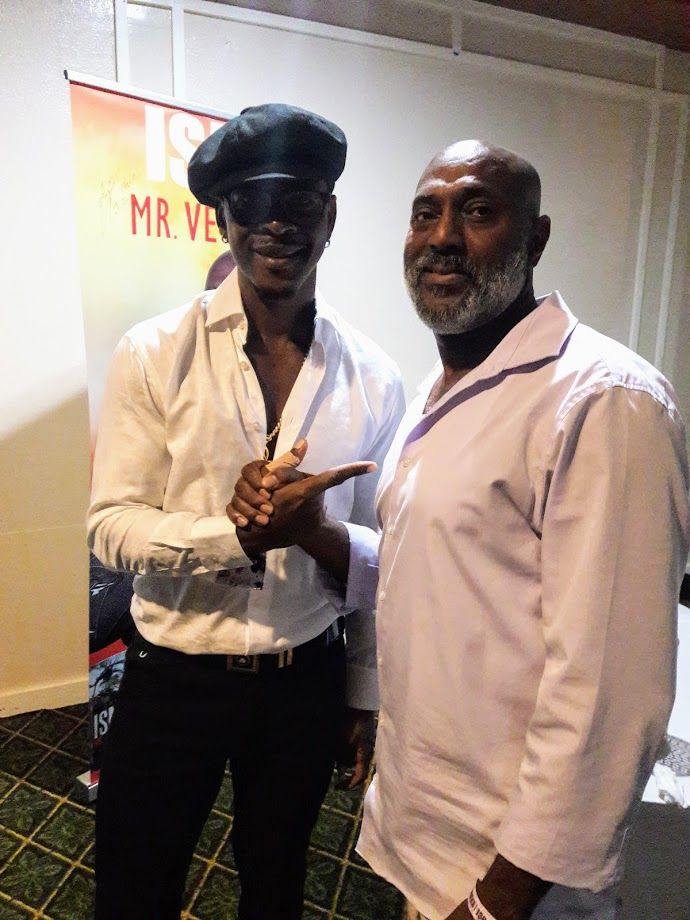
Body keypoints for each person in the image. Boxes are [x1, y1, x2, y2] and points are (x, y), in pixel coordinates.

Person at [227, 140, 690, 920]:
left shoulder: (604, 400)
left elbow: (609, 693)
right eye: (425, 214)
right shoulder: (440, 391)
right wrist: (315, 530)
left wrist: (499, 899)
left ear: (535, 240)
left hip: (515, 876)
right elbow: (432, 572)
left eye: (477, 211)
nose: (442, 236)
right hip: (429, 833)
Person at [87, 102, 405, 920]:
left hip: (304, 680)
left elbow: (384, 556)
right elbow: (111, 525)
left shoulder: (375, 377)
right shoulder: (153, 352)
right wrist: (229, 536)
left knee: (278, 885)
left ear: (329, 216)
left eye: (298, 200)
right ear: (223, 217)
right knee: (134, 886)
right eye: (250, 201)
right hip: (173, 674)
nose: (275, 223)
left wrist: (362, 690)